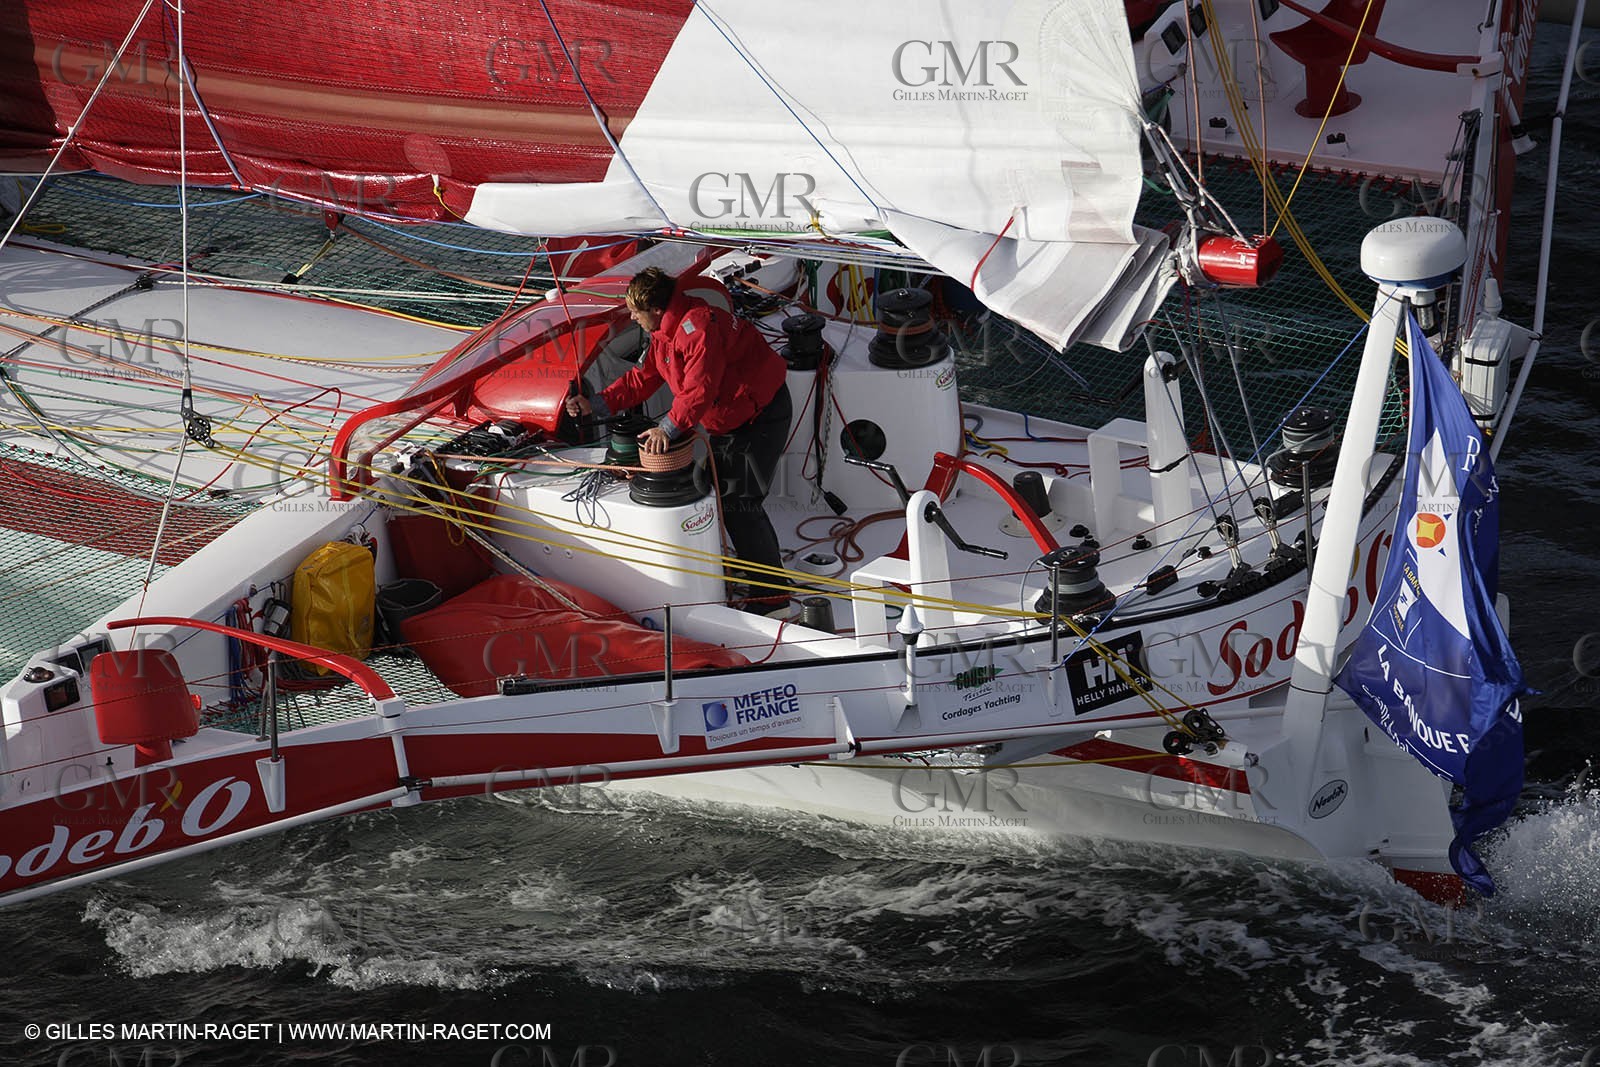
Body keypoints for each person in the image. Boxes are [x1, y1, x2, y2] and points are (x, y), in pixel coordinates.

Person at [566, 267, 794, 615]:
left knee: (740, 505)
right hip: (729, 421)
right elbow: (643, 379)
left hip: (760, 416)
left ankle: (773, 599)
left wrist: (667, 429)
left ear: (655, 309)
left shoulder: (698, 329)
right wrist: (595, 404)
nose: (631, 317)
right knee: (715, 492)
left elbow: (701, 389)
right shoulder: (664, 332)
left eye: (635, 311)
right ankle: (748, 569)